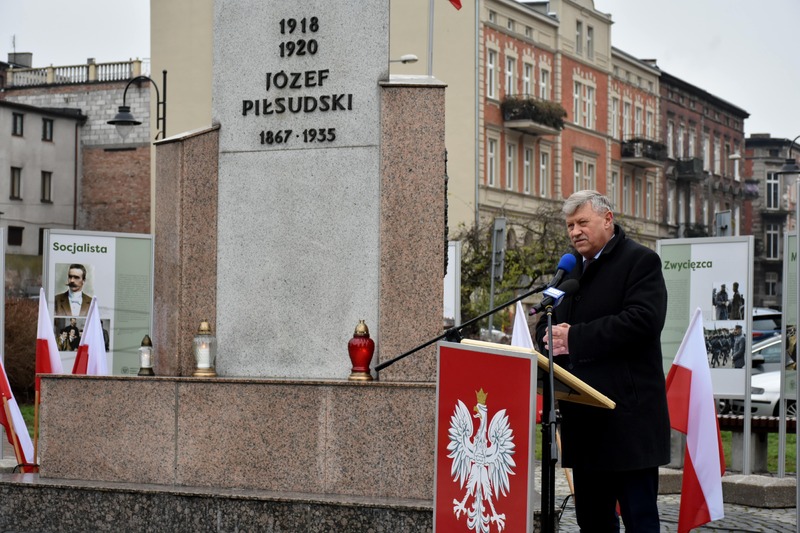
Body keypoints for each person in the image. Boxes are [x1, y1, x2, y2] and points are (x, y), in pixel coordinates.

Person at [535, 190, 670, 531]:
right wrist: (547, 336)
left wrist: (573, 338)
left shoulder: (640, 261)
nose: (575, 231)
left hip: (627, 420)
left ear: (608, 220)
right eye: (569, 225)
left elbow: (643, 321)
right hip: (585, 423)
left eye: (583, 222)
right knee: (593, 522)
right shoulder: (568, 270)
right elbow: (545, 322)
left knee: (639, 520)